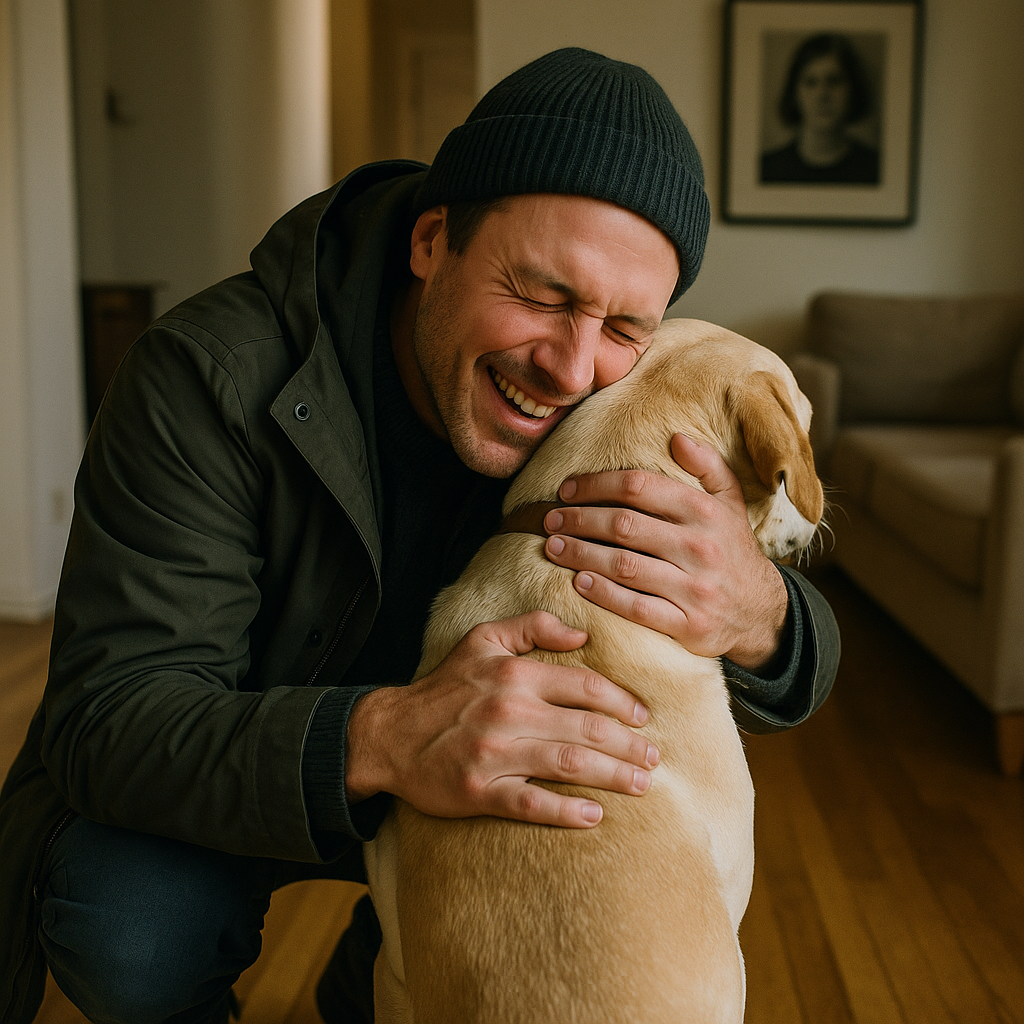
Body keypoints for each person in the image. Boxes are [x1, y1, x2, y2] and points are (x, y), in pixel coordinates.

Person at [0, 48, 839, 1024]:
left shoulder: (617, 409)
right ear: (431, 239)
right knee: (125, 921)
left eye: (623, 325)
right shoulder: (201, 377)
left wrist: (759, 611)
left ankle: (375, 980)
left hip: (453, 798)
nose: (572, 366)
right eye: (541, 293)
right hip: (245, 773)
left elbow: (782, 666)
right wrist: (387, 736)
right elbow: (106, 721)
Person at [760, 32, 880, 184]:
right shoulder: (768, 169)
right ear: (794, 93)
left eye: (834, 81)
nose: (822, 94)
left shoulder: (875, 169)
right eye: (811, 82)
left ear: (853, 89)